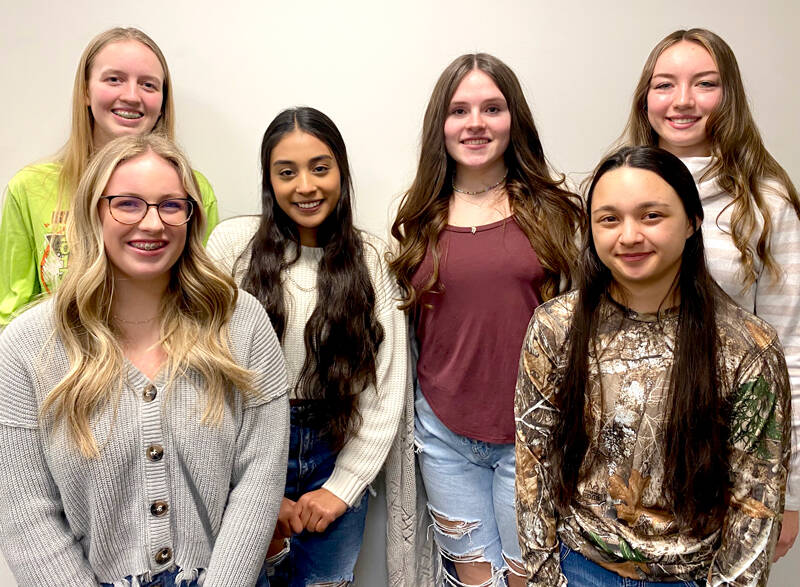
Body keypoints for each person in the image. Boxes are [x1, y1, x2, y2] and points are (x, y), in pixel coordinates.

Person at [0, 133, 289, 587]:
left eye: (171, 205)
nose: (153, 223)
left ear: (191, 218)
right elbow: (24, 515)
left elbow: (259, 479)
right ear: (93, 211)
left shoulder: (241, 323)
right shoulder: (26, 346)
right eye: (128, 204)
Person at [516, 145, 791, 586]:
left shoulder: (747, 347)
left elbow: (753, 505)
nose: (629, 236)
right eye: (609, 219)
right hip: (580, 568)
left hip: (693, 576)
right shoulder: (555, 328)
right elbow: (535, 465)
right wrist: (545, 579)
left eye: (651, 216)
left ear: (692, 222)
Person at [388, 53, 583, 586]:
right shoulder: (417, 219)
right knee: (473, 580)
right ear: (441, 126)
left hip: (531, 439)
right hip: (444, 435)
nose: (475, 123)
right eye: (460, 110)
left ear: (513, 119)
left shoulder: (557, 214)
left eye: (492, 108)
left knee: (529, 579)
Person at [207, 107, 408, 587]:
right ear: (268, 180)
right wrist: (249, 489)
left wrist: (342, 489)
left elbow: (386, 386)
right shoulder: (230, 247)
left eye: (320, 168)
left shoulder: (374, 259)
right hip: (248, 446)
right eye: (286, 172)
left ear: (341, 171)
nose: (306, 186)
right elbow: (205, 375)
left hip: (335, 445)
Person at [622, 28, 800, 560]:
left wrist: (788, 491)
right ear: (644, 98)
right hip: (622, 466)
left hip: (725, 460)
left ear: (731, 98)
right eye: (664, 84)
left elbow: (790, 350)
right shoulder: (608, 192)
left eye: (705, 84)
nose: (682, 101)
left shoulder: (766, 206)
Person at [0, 26, 219, 326]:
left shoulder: (192, 189)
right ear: (85, 92)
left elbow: (203, 297)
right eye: (114, 79)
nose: (131, 96)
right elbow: (11, 315)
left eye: (148, 85)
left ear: (163, 102)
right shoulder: (29, 188)